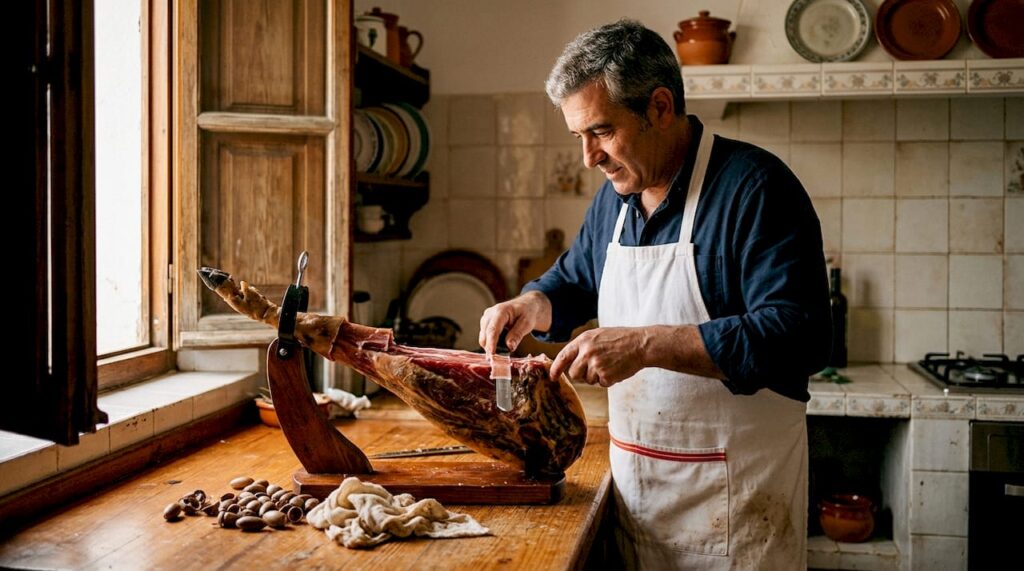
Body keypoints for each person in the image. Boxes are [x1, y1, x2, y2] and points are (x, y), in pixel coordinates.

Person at [478, 19, 831, 569]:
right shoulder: (616, 198)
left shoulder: (756, 188)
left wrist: (645, 345)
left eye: (600, 131)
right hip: (638, 500)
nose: (588, 157)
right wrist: (530, 304)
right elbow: (572, 280)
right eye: (579, 137)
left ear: (660, 107)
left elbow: (798, 336)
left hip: (739, 513)